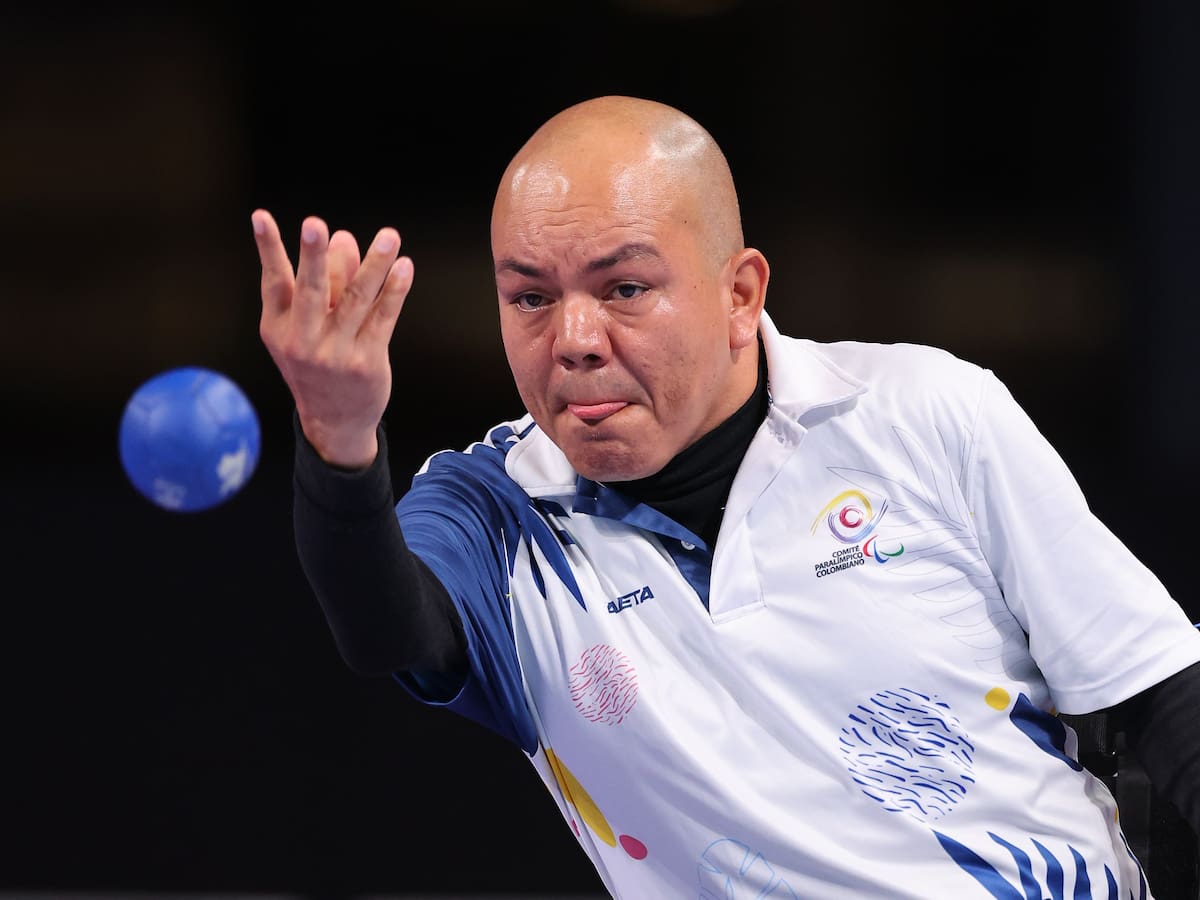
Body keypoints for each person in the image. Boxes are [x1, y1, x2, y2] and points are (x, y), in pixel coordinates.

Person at [251, 95, 1200, 898]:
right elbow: (385, 628)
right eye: (530, 298)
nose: (574, 338)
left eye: (624, 287)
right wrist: (339, 445)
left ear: (740, 293)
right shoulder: (494, 515)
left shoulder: (927, 414)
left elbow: (1160, 704)